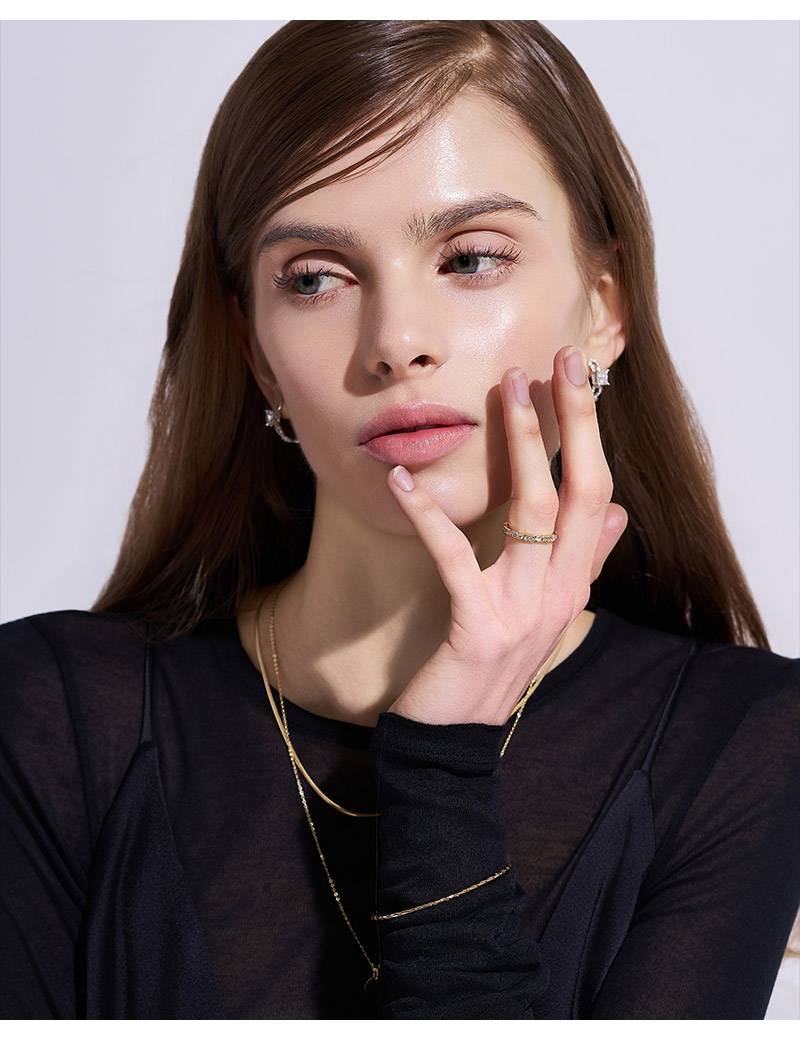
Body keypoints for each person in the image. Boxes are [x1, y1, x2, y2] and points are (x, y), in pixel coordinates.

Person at [1, 20, 797, 1020]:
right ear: (255, 353)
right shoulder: (53, 719)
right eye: (314, 278)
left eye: (470, 258)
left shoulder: (741, 741)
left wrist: (443, 755)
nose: (395, 341)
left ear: (604, 308)